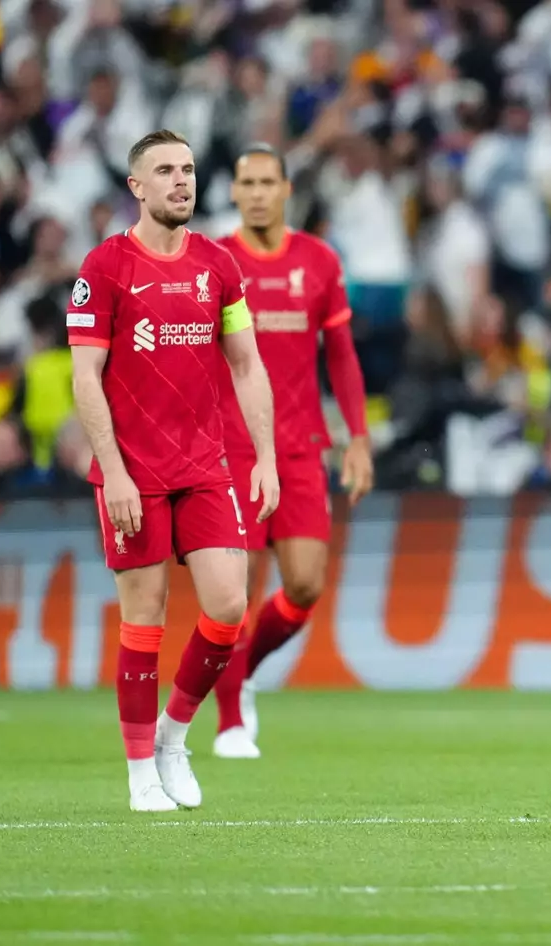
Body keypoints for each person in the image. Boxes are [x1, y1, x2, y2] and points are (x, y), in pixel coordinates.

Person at [67, 129, 280, 812]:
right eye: (164, 171)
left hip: (205, 464)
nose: (181, 181)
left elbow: (246, 365)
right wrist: (114, 472)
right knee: (145, 618)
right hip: (134, 472)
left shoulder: (218, 265)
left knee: (227, 607)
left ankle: (172, 736)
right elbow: (84, 377)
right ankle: (138, 777)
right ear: (137, 187)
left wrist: (267, 456)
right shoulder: (104, 267)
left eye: (187, 170)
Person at [209, 144, 374, 759]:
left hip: (302, 447)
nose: (255, 192)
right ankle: (229, 721)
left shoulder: (319, 261)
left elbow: (342, 356)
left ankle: (240, 672)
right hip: (234, 449)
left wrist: (357, 436)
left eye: (266, 182)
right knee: (237, 593)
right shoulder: (215, 261)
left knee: (304, 586)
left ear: (285, 190)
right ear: (232, 192)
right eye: (245, 182)